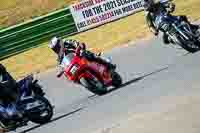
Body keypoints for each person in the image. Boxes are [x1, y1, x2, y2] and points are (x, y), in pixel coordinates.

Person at [48, 37, 116, 77]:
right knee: (70, 76)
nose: (55, 50)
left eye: (56, 47)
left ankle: (109, 65)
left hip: (81, 56)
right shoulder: (59, 57)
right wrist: (61, 72)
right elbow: (61, 66)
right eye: (54, 49)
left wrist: (80, 48)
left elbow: (77, 43)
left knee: (90, 55)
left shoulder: (67, 42)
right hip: (75, 65)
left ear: (59, 43)